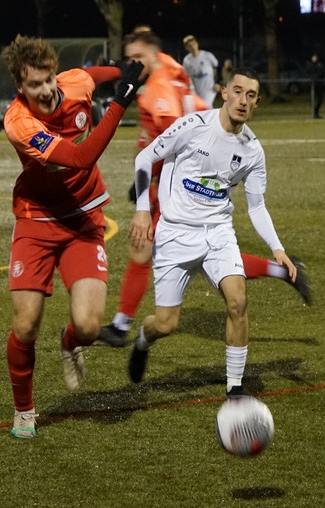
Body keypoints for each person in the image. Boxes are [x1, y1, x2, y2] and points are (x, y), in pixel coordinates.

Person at [98, 34, 310, 347]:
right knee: (159, 255)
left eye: (136, 58)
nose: (131, 65)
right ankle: (123, 323)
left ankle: (122, 325)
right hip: (183, 175)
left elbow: (172, 136)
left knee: (153, 248)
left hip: (182, 181)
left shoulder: (160, 88)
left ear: (150, 54)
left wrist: (149, 182)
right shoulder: (168, 68)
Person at [0, 34, 144, 439]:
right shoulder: (19, 123)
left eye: (49, 80)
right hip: (36, 221)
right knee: (26, 324)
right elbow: (81, 158)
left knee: (88, 326)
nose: (46, 90)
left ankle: (70, 343)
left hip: (83, 219)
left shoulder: (74, 83)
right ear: (20, 87)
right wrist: (121, 102)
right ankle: (24, 410)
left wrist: (125, 69)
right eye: (35, 85)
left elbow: (94, 74)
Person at [126, 67, 299, 399]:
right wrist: (143, 210)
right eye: (238, 91)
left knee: (238, 301)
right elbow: (146, 157)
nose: (243, 100)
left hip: (218, 232)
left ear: (257, 102)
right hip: (175, 233)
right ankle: (143, 341)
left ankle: (235, 389)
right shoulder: (194, 126)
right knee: (166, 324)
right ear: (224, 92)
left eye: (251, 95)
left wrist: (277, 247)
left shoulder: (253, 150)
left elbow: (257, 206)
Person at [181, 35, 219, 107]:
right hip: (196, 90)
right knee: (201, 109)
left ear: (197, 43)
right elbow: (186, 75)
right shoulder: (187, 60)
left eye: (193, 44)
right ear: (186, 48)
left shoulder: (207, 55)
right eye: (189, 46)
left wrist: (218, 82)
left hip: (209, 89)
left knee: (206, 106)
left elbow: (216, 67)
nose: (192, 47)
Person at [304, 54, 325, 118]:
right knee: (312, 99)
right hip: (312, 84)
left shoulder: (320, 65)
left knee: (320, 99)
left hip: (319, 84)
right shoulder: (309, 65)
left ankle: (316, 111)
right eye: (313, 58)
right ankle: (314, 112)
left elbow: (323, 73)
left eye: (315, 58)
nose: (314, 59)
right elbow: (307, 74)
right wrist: (312, 78)